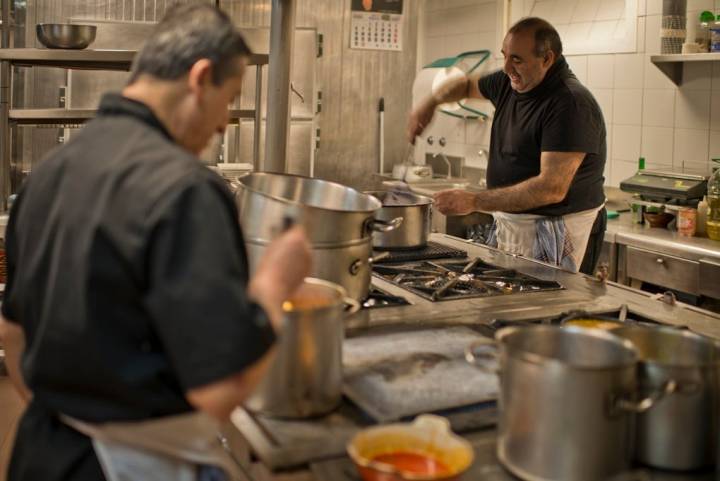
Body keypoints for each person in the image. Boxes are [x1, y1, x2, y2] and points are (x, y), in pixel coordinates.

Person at [0, 5, 311, 481]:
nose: (226, 123)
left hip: (42, 453)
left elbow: (12, 334)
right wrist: (275, 281)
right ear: (200, 78)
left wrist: (77, 419)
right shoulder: (186, 190)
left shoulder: (49, 173)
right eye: (229, 99)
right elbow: (220, 389)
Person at [407, 17, 607, 274]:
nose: (507, 67)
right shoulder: (508, 83)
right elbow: (466, 86)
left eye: (517, 59)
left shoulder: (570, 103)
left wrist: (475, 201)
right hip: (515, 224)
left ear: (547, 59)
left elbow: (550, 189)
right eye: (505, 56)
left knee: (552, 310)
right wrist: (430, 102)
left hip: (560, 229)